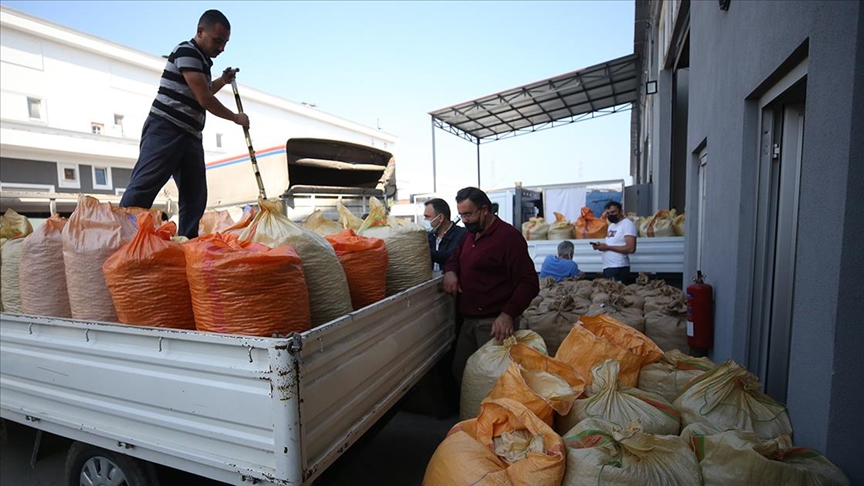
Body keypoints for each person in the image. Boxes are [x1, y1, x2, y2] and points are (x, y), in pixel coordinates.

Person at [120, 10, 250, 239]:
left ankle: (187, 246)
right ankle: (121, 239)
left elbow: (205, 91)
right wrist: (236, 118)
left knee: (195, 198)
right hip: (166, 129)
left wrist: (223, 80)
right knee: (143, 188)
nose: (221, 48)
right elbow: (205, 99)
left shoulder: (202, 62)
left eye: (225, 43)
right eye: (218, 41)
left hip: (190, 136)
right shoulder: (187, 51)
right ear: (200, 32)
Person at [443, 187, 540, 385]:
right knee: (460, 372)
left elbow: (529, 282)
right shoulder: (470, 235)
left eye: (468, 214)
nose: (465, 220)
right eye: (461, 215)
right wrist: (451, 272)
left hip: (494, 325)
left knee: (491, 381)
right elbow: (454, 257)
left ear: (484, 210)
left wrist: (507, 315)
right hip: (469, 321)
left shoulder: (508, 238)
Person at [591, 201, 637, 283]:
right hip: (608, 267)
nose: (610, 215)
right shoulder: (611, 226)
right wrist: (601, 246)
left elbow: (631, 248)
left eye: (613, 212)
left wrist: (608, 247)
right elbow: (612, 244)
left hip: (619, 267)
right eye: (608, 213)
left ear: (621, 212)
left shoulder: (627, 225)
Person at [423, 198, 467, 272]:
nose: (424, 220)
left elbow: (451, 256)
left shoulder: (462, 235)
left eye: (427, 217)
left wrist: (424, 252)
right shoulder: (428, 237)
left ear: (440, 218)